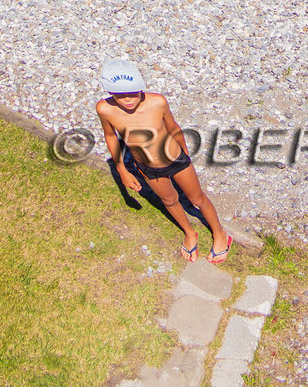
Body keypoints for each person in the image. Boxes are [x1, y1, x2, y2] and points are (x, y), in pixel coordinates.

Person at [94, 62, 232, 264]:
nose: (128, 99)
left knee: (197, 199)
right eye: (120, 95)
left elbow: (173, 128)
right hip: (148, 168)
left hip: (176, 159)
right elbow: (111, 136)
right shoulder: (105, 109)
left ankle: (220, 234)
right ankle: (189, 232)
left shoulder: (157, 102)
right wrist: (122, 169)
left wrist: (185, 156)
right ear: (109, 92)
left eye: (133, 93)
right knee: (169, 201)